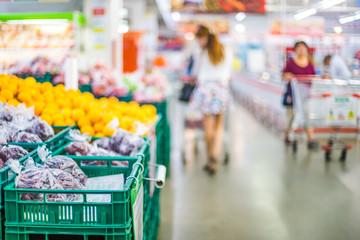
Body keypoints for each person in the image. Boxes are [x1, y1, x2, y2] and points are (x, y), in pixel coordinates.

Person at [191, 25, 232, 174]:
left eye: (199, 39)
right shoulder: (225, 50)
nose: (199, 42)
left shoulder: (201, 53)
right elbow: (229, 72)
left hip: (205, 89)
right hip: (222, 88)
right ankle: (214, 157)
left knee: (208, 126)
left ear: (204, 38)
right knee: (219, 127)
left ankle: (210, 158)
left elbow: (195, 72)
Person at [282, 41, 319, 149]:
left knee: (307, 115)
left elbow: (314, 76)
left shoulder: (309, 63)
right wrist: (287, 76)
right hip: (293, 95)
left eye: (303, 47)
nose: (301, 50)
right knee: (291, 116)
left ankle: (310, 139)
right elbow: (283, 75)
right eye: (299, 48)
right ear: (295, 50)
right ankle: (287, 135)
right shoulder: (291, 63)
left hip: (306, 95)